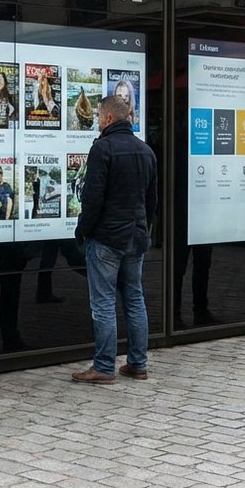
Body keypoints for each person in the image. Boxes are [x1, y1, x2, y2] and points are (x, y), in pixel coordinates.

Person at [70, 95, 158, 384]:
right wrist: (145, 228)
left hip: (108, 237)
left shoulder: (102, 148)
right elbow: (151, 200)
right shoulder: (146, 150)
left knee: (103, 302)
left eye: (97, 116)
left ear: (108, 118)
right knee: (134, 299)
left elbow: (92, 198)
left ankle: (104, 367)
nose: (96, 120)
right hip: (136, 236)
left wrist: (82, 230)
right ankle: (138, 364)